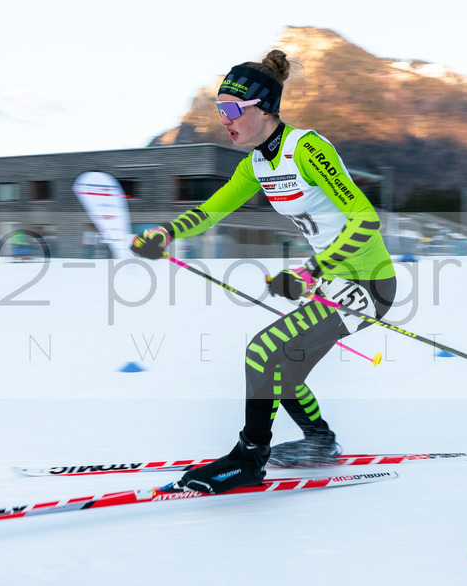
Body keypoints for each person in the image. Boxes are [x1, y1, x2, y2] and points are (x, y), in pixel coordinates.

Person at [131, 50, 396, 494]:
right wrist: (165, 233)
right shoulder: (256, 165)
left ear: (265, 108)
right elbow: (211, 210)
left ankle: (250, 457)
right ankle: (319, 441)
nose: (224, 119)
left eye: (233, 109)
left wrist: (312, 270)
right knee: (284, 374)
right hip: (333, 281)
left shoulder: (306, 149)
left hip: (368, 283)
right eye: (220, 110)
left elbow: (366, 220)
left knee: (264, 351)